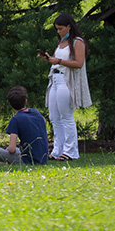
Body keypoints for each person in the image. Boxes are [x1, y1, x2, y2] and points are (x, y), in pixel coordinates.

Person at [39, 12, 92, 160]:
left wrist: (59, 62)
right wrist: (49, 59)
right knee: (54, 117)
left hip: (66, 81)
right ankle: (57, 150)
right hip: (55, 79)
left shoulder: (77, 42)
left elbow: (79, 63)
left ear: (69, 27)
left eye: (61, 28)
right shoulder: (61, 42)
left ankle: (70, 151)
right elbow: (58, 60)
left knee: (66, 116)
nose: (59, 31)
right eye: (57, 29)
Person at [0, 85, 49, 166]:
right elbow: (43, 122)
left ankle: (1, 162)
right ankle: (1, 162)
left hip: (28, 161)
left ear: (10, 104)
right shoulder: (35, 112)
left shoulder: (16, 119)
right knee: (16, 150)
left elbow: (12, 149)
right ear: (25, 101)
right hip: (43, 159)